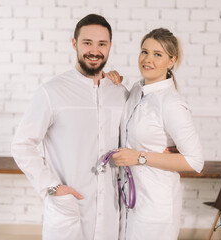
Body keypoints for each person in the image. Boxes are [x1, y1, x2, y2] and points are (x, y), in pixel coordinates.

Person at [11, 14, 128, 240]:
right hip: (69, 207)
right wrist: (52, 187)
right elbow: (22, 145)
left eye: (102, 44)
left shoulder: (119, 93)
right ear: (74, 43)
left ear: (110, 47)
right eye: (87, 42)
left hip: (110, 211)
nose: (94, 50)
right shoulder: (51, 92)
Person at [112, 28, 204, 240]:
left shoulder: (171, 103)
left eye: (157, 54)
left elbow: (195, 161)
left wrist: (140, 157)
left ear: (171, 61)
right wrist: (110, 79)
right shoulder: (136, 89)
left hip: (155, 208)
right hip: (131, 202)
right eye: (144, 52)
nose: (147, 59)